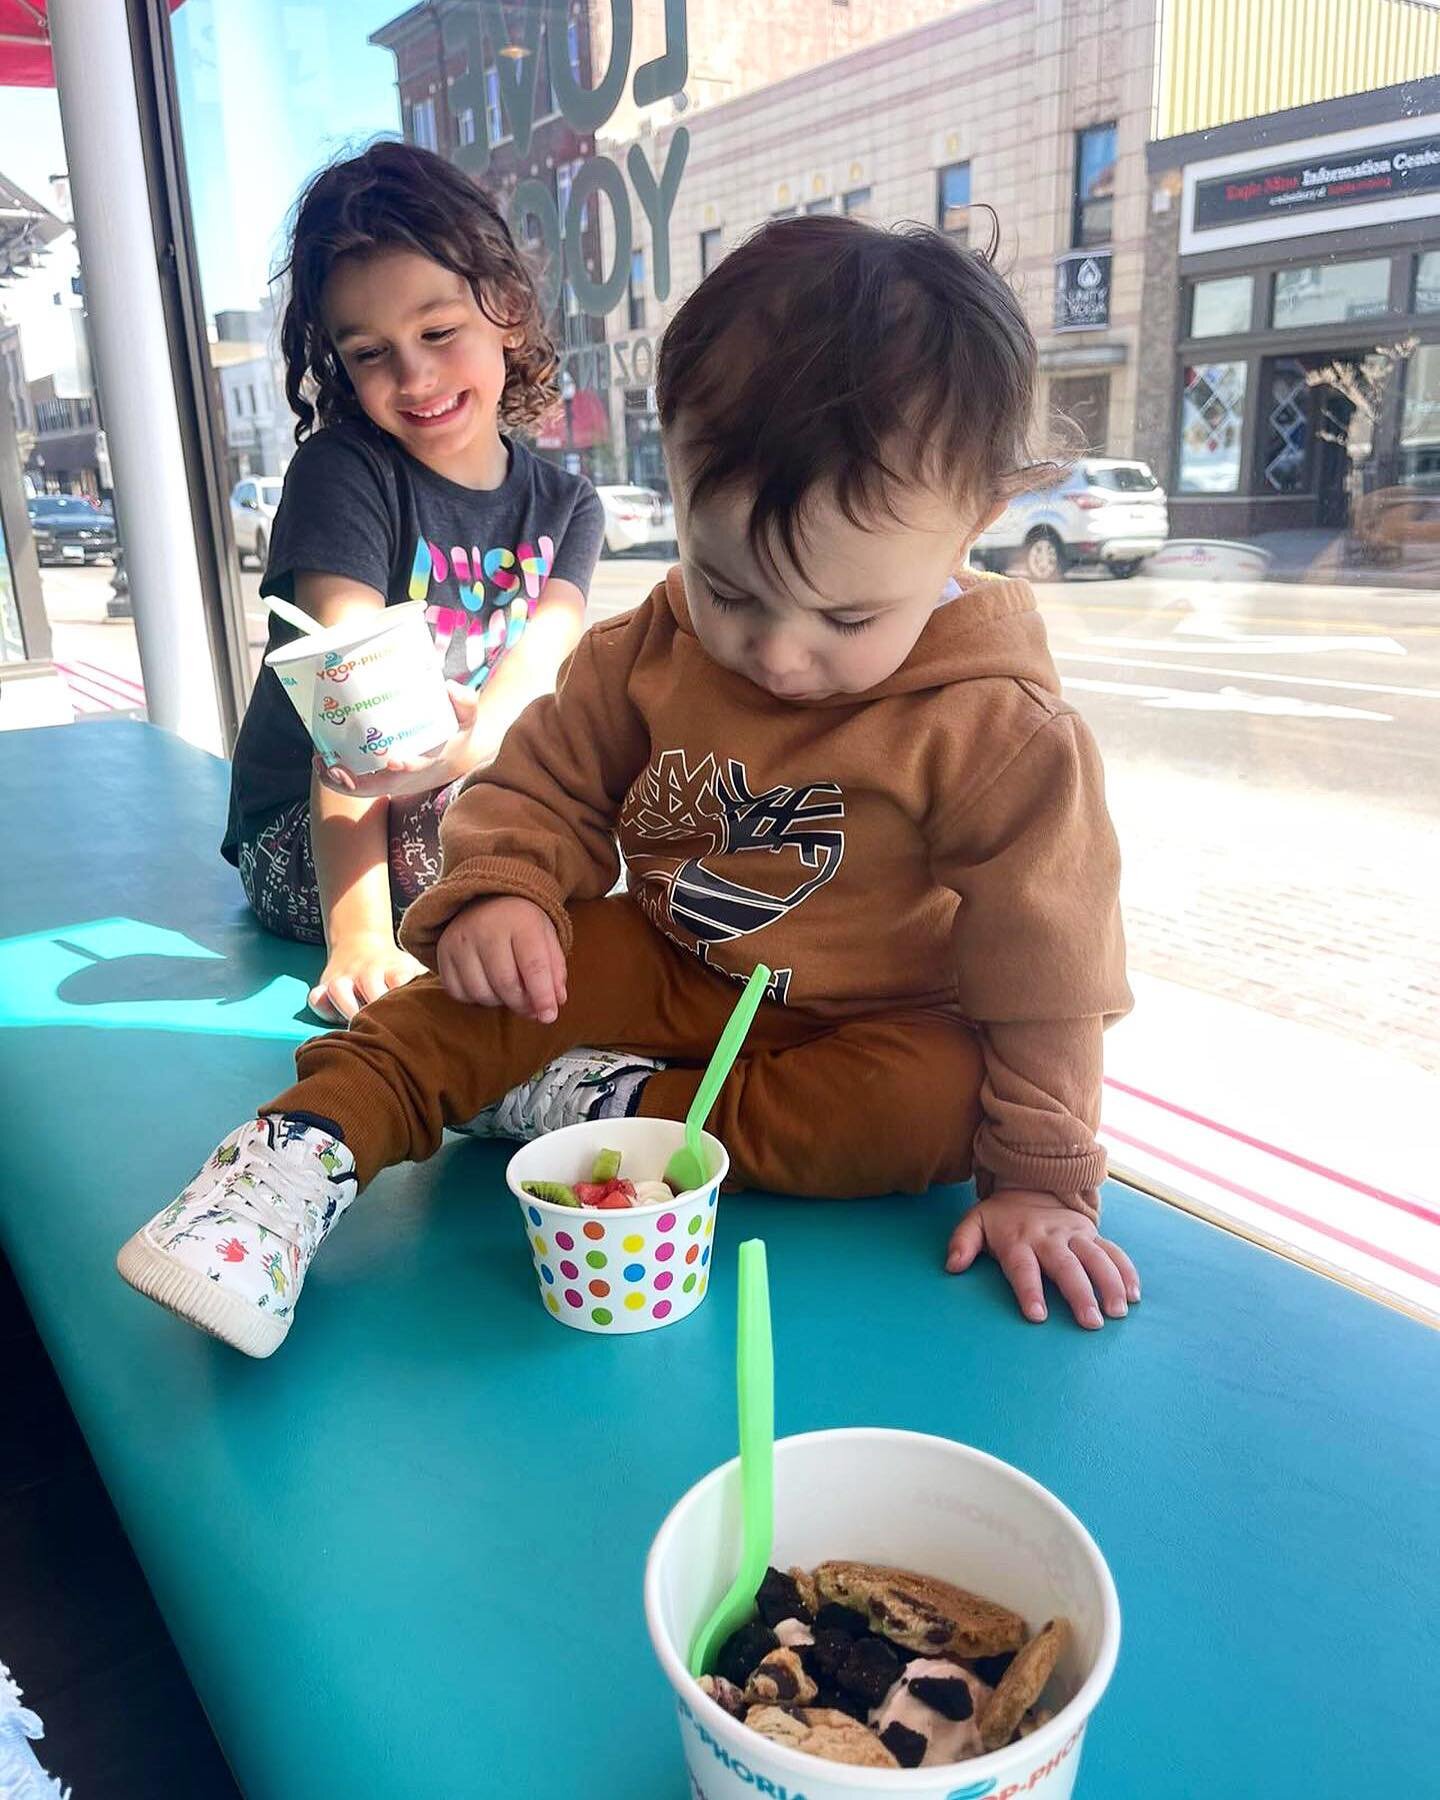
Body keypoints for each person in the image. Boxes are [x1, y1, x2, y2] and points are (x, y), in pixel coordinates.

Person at [119, 214, 1139, 1358]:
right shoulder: (656, 644)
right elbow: (546, 776)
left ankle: (598, 1108)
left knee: (943, 1106)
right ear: (678, 477)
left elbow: (1052, 977)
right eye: (731, 588)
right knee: (473, 994)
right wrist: (505, 891)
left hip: (872, 1019)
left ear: (978, 518)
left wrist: (1048, 1182)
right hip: (665, 957)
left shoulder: (999, 729)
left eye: (849, 617)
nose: (777, 654)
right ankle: (285, 1164)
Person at [222, 140, 604, 1022]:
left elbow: (528, 688)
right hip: (312, 840)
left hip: (464, 790)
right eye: (369, 352)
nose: (414, 376)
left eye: (438, 334)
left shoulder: (570, 505)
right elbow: (355, 723)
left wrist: (478, 756)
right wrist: (358, 940)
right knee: (483, 822)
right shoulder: (344, 474)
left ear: (505, 310)